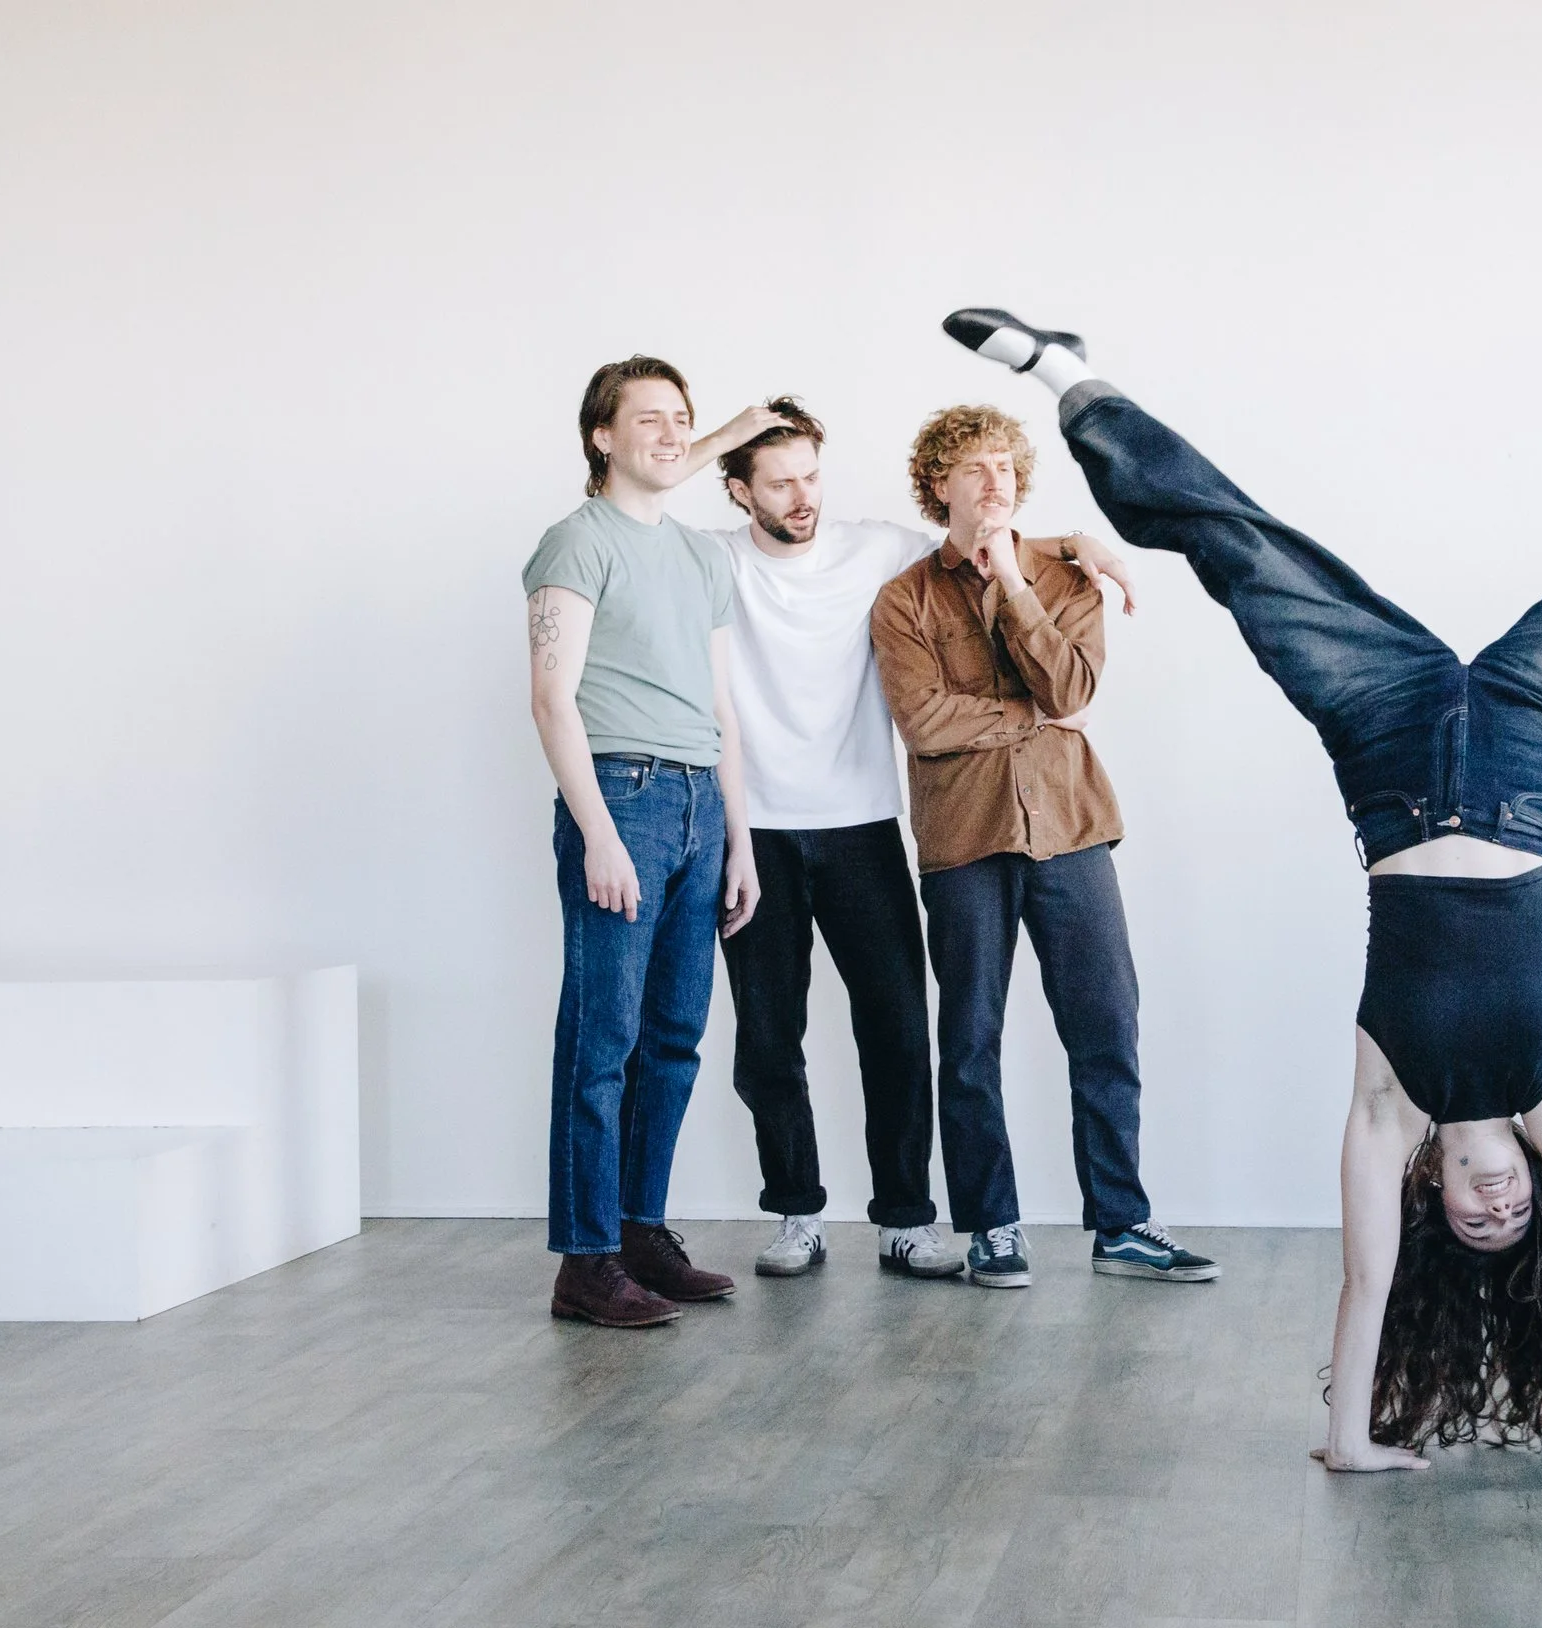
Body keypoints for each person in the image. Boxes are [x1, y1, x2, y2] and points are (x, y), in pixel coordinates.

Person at [938, 257, 1542, 1459]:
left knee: (1245, 555)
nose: (1497, 1201)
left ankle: (1071, 378)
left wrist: (1350, 1440)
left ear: (1436, 1201)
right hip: (1531, 748)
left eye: (1475, 1217)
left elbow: (1364, 1290)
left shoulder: (1386, 1103)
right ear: (1536, 1190)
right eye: (1514, 1209)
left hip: (1388, 743)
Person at [666, 401, 1136, 1280]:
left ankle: (907, 1217)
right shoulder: (712, 560)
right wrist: (723, 435)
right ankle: (797, 1210)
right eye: (778, 481)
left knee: (895, 1028)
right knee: (770, 1038)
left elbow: (988, 529)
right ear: (738, 491)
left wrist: (1084, 543)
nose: (802, 496)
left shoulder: (876, 552)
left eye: (811, 475)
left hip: (863, 826)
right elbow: (645, 511)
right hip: (755, 828)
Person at [869, 404, 1220, 1290]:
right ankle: (991, 1225)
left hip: (1072, 830)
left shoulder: (1067, 581)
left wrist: (1018, 589)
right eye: (973, 468)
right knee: (971, 1038)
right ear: (936, 484)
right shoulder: (903, 599)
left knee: (1106, 1027)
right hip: (964, 841)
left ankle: (1123, 1222)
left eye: (1006, 468)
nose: (995, 482)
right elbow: (925, 723)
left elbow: (1075, 680)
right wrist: (1034, 717)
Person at [521, 355, 780, 1327]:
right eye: (649, 418)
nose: (671, 432)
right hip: (619, 798)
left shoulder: (700, 555)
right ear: (602, 434)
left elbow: (722, 705)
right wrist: (595, 830)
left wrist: (740, 839)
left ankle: (638, 1231)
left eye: (683, 418)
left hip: (698, 809)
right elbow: (552, 697)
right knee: (603, 1040)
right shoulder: (574, 543)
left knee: (673, 1039)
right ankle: (585, 1260)